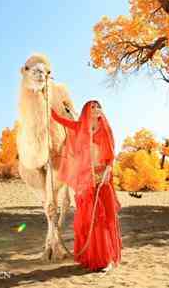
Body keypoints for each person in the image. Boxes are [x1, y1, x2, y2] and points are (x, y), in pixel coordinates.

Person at [51, 100, 122, 272]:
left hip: (101, 177)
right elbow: (62, 120)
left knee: (102, 218)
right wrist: (49, 106)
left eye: (99, 107)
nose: (98, 110)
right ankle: (91, 256)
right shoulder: (80, 127)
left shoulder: (105, 128)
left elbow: (111, 153)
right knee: (88, 219)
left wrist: (108, 168)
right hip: (85, 180)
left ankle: (107, 260)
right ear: (87, 111)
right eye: (93, 107)